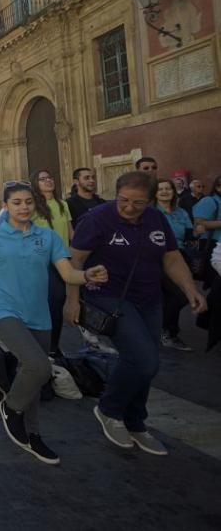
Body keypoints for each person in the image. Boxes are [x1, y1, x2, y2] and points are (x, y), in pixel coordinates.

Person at [0, 181, 108, 465]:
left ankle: (33, 435)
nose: (23, 207)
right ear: (5, 206)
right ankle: (11, 409)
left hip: (39, 315)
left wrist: (87, 276)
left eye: (28, 202)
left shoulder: (48, 237)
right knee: (39, 365)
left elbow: (68, 274)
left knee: (34, 377)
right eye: (16, 202)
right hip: (3, 310)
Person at [67, 171, 206, 455]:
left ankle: (136, 422)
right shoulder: (97, 218)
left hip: (149, 298)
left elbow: (171, 257)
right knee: (143, 358)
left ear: (150, 201)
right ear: (116, 194)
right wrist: (73, 300)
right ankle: (109, 409)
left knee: (145, 360)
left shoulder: (156, 219)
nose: (129, 208)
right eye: (123, 200)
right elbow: (75, 260)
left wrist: (190, 288)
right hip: (108, 296)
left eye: (138, 203)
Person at [30, 169, 74, 355]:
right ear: (35, 184)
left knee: (57, 302)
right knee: (47, 301)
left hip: (63, 260)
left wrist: (75, 255)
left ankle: (53, 346)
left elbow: (71, 232)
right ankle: (39, 344)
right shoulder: (32, 207)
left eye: (50, 177)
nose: (48, 181)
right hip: (41, 262)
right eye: (43, 179)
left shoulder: (62, 204)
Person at [154, 179, 194, 351]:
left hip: (180, 256)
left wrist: (195, 235)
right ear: (155, 193)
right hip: (159, 258)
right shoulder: (151, 212)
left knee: (173, 297)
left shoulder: (181, 213)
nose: (164, 191)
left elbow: (189, 235)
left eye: (168, 188)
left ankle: (168, 331)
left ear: (173, 191)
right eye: (160, 189)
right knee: (179, 296)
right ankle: (164, 331)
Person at [192, 175, 221, 289]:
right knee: (215, 282)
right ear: (217, 187)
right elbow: (199, 223)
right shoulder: (210, 200)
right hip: (212, 244)